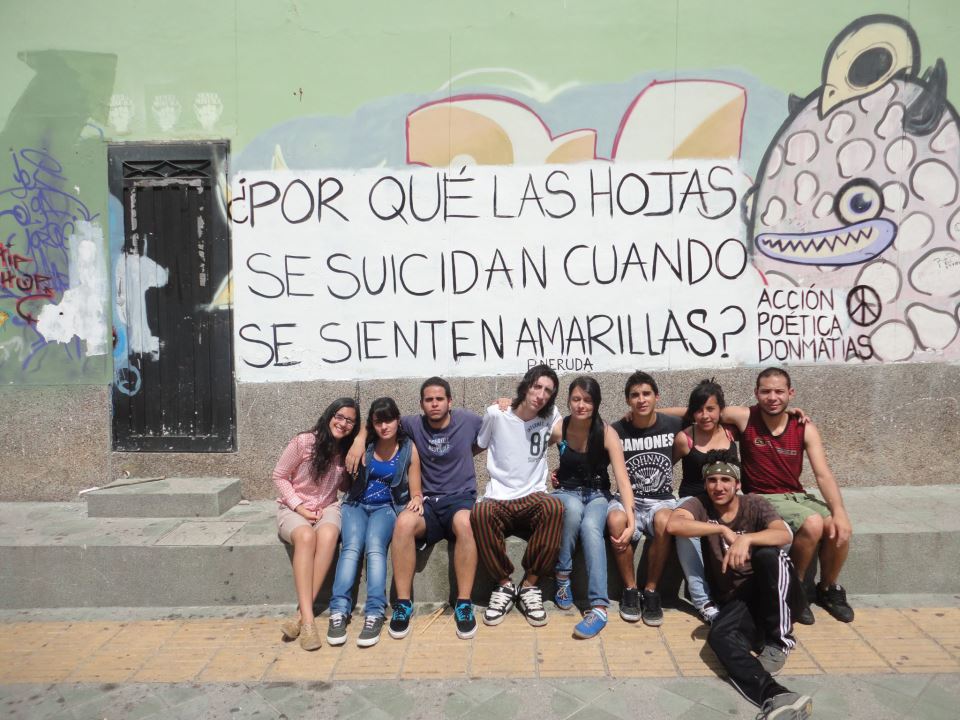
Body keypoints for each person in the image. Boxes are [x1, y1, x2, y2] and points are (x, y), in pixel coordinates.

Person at [666, 454, 813, 720]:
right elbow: (675, 524)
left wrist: (747, 540)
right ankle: (776, 696)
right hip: (739, 600)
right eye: (712, 480)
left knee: (768, 555)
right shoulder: (700, 504)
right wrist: (721, 530)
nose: (718, 486)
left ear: (737, 484)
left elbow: (783, 534)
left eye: (725, 480)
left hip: (775, 590)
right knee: (718, 637)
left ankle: (780, 640)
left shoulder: (754, 504)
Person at [347, 377, 482, 641]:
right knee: (404, 523)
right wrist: (360, 439)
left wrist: (504, 405)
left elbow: (496, 426)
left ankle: (464, 603)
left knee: (466, 523)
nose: (434, 404)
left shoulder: (468, 420)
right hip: (427, 501)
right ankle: (403, 604)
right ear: (421, 404)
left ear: (450, 401)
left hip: (460, 499)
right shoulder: (412, 424)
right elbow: (379, 419)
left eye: (439, 399)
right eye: (429, 400)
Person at [722, 367, 854, 624]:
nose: (772, 397)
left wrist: (840, 513)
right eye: (766, 391)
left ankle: (827, 588)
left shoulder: (803, 427)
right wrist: (651, 413)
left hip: (796, 496)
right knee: (813, 523)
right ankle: (796, 590)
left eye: (779, 392)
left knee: (837, 528)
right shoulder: (745, 417)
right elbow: (702, 410)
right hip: (762, 496)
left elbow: (823, 474)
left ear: (790, 393)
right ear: (756, 393)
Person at [471, 364, 564, 627]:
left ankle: (530, 586)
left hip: (533, 495)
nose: (541, 395)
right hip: (499, 497)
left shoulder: (551, 414)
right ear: (526, 386)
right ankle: (504, 584)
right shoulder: (496, 414)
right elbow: (478, 445)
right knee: (480, 512)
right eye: (537, 387)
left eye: (548, 391)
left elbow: (568, 432)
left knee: (555, 508)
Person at [326, 398, 422, 648]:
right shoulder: (366, 443)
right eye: (378, 422)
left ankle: (375, 613)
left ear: (398, 420)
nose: (384, 427)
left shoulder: (407, 448)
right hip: (355, 504)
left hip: (386, 508)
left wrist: (417, 499)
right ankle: (338, 611)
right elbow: (357, 427)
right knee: (351, 548)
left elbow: (415, 490)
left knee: (375, 547)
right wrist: (360, 438)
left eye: (389, 420)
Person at [551, 376, 635, 639]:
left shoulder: (607, 433)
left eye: (587, 400)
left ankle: (599, 607)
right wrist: (508, 405)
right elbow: (528, 446)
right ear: (568, 401)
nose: (581, 405)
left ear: (596, 403)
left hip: (598, 494)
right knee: (573, 510)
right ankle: (562, 576)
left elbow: (622, 479)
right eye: (576, 399)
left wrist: (631, 520)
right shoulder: (559, 428)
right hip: (566, 492)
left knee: (590, 526)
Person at [273, 398, 360, 651]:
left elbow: (343, 487)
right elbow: (279, 475)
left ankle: (300, 615)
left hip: (328, 506)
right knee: (306, 537)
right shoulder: (303, 442)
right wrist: (299, 507)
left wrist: (352, 468)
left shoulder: (345, 450)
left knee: (330, 534)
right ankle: (309, 621)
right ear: (329, 416)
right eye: (339, 416)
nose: (343, 424)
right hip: (294, 506)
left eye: (350, 421)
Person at [608, 371, 682, 627]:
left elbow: (696, 410)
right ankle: (630, 590)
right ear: (627, 400)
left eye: (647, 394)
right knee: (615, 520)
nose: (641, 400)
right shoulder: (617, 430)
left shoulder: (671, 424)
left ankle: (651, 590)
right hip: (628, 498)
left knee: (665, 521)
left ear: (656, 396)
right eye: (635, 396)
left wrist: (657, 411)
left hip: (660, 500)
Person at [672, 379, 740, 624]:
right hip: (695, 499)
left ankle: (741, 592)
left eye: (710, 409)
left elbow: (760, 411)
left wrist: (793, 412)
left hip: (728, 498)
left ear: (721, 410)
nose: (705, 415)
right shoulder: (685, 438)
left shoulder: (731, 431)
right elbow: (665, 465)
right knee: (685, 532)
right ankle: (703, 600)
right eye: (698, 410)